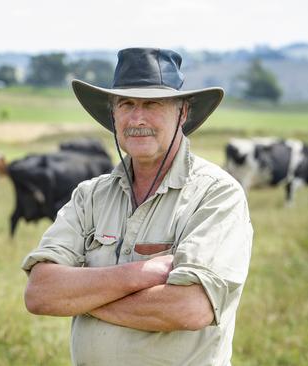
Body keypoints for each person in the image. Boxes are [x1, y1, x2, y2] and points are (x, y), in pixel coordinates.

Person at [21, 48, 253, 365]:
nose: (137, 118)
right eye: (127, 104)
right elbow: (40, 293)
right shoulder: (90, 195)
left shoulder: (216, 194)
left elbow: (190, 307)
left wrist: (80, 296)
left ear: (182, 112)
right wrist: (143, 274)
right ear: (113, 114)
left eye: (152, 104)